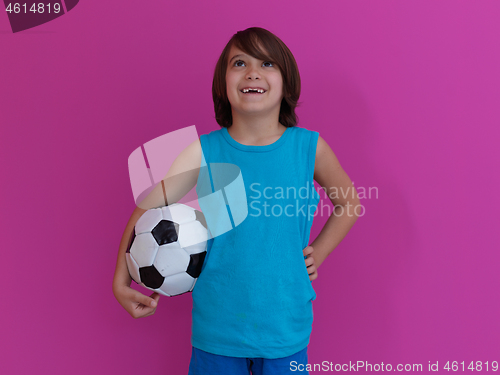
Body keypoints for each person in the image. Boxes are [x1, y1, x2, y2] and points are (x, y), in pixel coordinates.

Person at [113, 27, 361, 375]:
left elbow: (349, 203)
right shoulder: (204, 150)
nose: (253, 72)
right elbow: (147, 208)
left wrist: (318, 251)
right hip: (217, 332)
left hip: (284, 331)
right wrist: (121, 279)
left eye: (267, 63)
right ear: (222, 85)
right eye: (239, 63)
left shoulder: (308, 148)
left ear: (287, 83)